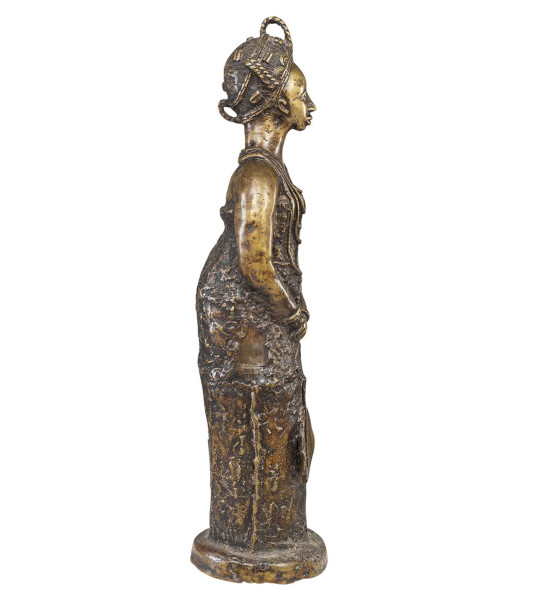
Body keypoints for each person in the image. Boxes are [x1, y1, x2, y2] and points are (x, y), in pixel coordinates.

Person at [192, 17, 327, 584]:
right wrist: (292, 312)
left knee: (283, 423)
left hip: (258, 325)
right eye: (300, 93)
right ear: (274, 102)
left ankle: (271, 531)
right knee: (259, 423)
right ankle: (251, 537)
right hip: (245, 328)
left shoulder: (267, 171)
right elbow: (253, 263)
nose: (309, 104)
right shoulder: (256, 176)